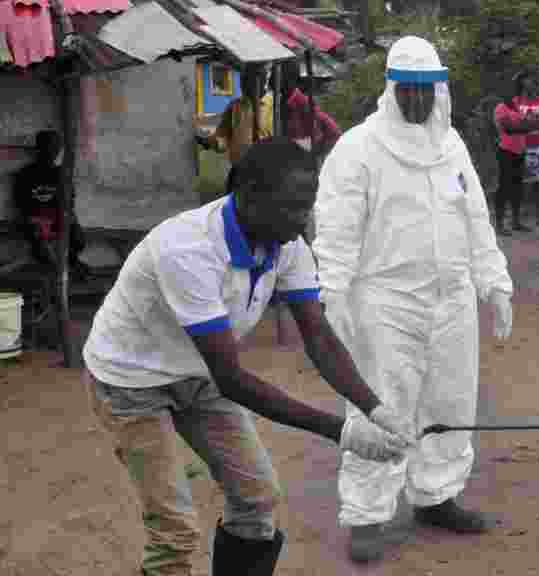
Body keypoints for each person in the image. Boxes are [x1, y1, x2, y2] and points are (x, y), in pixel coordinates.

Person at [81, 139, 415, 576]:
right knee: (175, 531)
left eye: (307, 206)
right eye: (292, 207)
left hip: (198, 375)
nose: (302, 223)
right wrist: (343, 431)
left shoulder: (286, 244)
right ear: (249, 195)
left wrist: (377, 409)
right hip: (130, 384)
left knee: (257, 501)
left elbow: (319, 335)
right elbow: (232, 380)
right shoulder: (188, 249)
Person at [312, 36, 515, 564]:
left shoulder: (452, 147)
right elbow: (336, 232)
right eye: (410, 90)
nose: (420, 101)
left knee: (450, 402)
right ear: (392, 89)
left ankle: (437, 494)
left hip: (452, 300)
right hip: (384, 302)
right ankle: (366, 511)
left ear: (440, 90)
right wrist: (330, 297)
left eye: (429, 90)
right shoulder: (359, 149)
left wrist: (494, 281)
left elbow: (475, 219)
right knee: (382, 402)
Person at [13, 129, 86, 275]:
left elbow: (69, 203)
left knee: (78, 239)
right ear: (39, 148)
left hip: (56, 217)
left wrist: (69, 220)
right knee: (43, 250)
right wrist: (39, 223)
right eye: (48, 147)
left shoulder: (62, 173)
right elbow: (22, 205)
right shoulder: (26, 173)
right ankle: (64, 271)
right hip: (35, 218)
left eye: (55, 147)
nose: (52, 151)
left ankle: (70, 263)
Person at [197, 63, 274, 175]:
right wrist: (209, 142)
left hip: (266, 172)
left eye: (248, 80)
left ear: (262, 81)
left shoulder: (274, 106)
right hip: (239, 170)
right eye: (242, 80)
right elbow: (224, 138)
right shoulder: (235, 106)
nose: (243, 85)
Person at [493, 73, 539, 235]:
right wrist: (528, 125)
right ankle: (499, 224)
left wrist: (526, 125)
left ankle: (515, 221)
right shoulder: (501, 108)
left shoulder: (515, 108)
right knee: (504, 187)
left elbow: (529, 124)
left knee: (517, 188)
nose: (511, 95)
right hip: (506, 151)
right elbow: (509, 128)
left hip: (520, 151)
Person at [280, 60, 342, 161]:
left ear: (289, 79)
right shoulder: (279, 102)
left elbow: (320, 138)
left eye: (275, 75)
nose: (270, 80)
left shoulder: (303, 103)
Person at [513, 69, 539, 227]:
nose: (532, 82)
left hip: (537, 146)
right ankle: (518, 217)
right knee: (521, 183)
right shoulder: (515, 101)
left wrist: (530, 123)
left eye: (534, 79)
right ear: (522, 82)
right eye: (529, 79)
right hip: (520, 146)